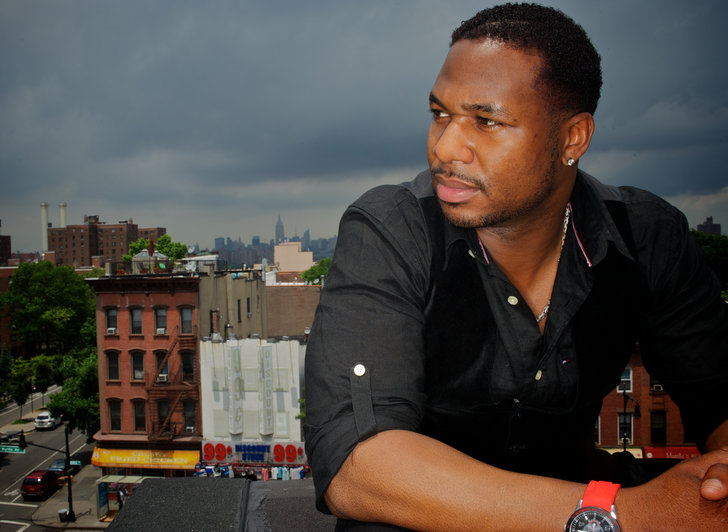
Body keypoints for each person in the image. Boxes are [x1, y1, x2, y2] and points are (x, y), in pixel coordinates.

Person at [303, 3, 728, 531]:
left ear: (572, 138)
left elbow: (717, 394)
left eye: (486, 121)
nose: (445, 147)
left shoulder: (646, 236)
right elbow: (357, 465)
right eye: (440, 114)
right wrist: (615, 515)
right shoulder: (391, 228)